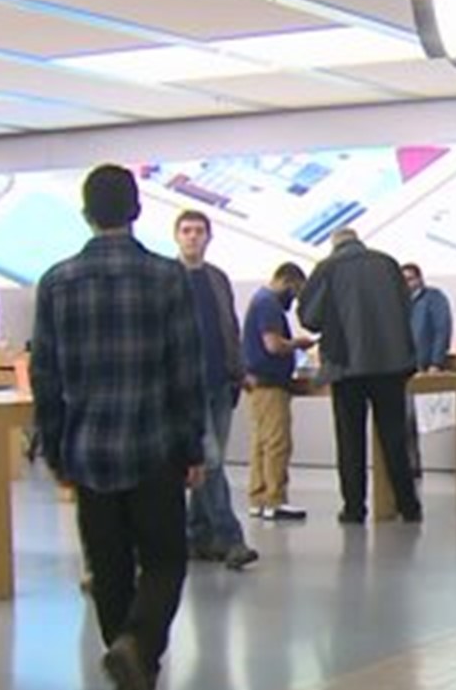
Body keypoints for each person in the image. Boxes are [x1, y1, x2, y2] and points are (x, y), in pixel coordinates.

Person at [31, 165, 206, 690]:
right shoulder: (165, 278)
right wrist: (192, 446)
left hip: (89, 447)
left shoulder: (57, 281)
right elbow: (185, 369)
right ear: (136, 211)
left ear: (86, 213)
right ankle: (138, 648)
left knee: (107, 568)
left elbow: (47, 375)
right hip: (153, 444)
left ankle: (130, 660)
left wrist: (55, 448)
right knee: (164, 559)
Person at [298, 228, 422, 525]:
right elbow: (406, 306)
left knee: (350, 440)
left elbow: (309, 318)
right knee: (394, 437)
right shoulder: (388, 264)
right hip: (391, 366)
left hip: (347, 366)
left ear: (334, 244)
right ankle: (409, 506)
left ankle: (354, 509)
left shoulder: (328, 268)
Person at [172, 210, 257, 570]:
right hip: (186, 384)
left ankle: (197, 534)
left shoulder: (217, 279)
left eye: (199, 231)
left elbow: (229, 327)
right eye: (187, 231)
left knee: (210, 461)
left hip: (221, 381)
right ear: (176, 236)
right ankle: (231, 537)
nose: (193, 237)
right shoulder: (167, 277)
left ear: (209, 237)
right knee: (210, 459)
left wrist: (239, 371)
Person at [243, 262, 315, 522]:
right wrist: (299, 343)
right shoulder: (269, 304)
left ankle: (258, 497)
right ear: (287, 281)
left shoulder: (259, 300)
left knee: (261, 442)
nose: (294, 299)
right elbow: (273, 345)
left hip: (257, 383)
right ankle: (274, 499)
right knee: (277, 442)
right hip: (271, 384)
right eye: (296, 291)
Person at [402, 262, 452, 477]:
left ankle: (414, 465)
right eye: (403, 280)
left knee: (416, 418)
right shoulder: (397, 301)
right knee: (404, 420)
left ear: (420, 278)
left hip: (425, 366)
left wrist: (436, 362)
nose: (407, 284)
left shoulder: (433, 298)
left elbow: (443, 329)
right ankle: (410, 466)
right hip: (402, 367)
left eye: (411, 279)